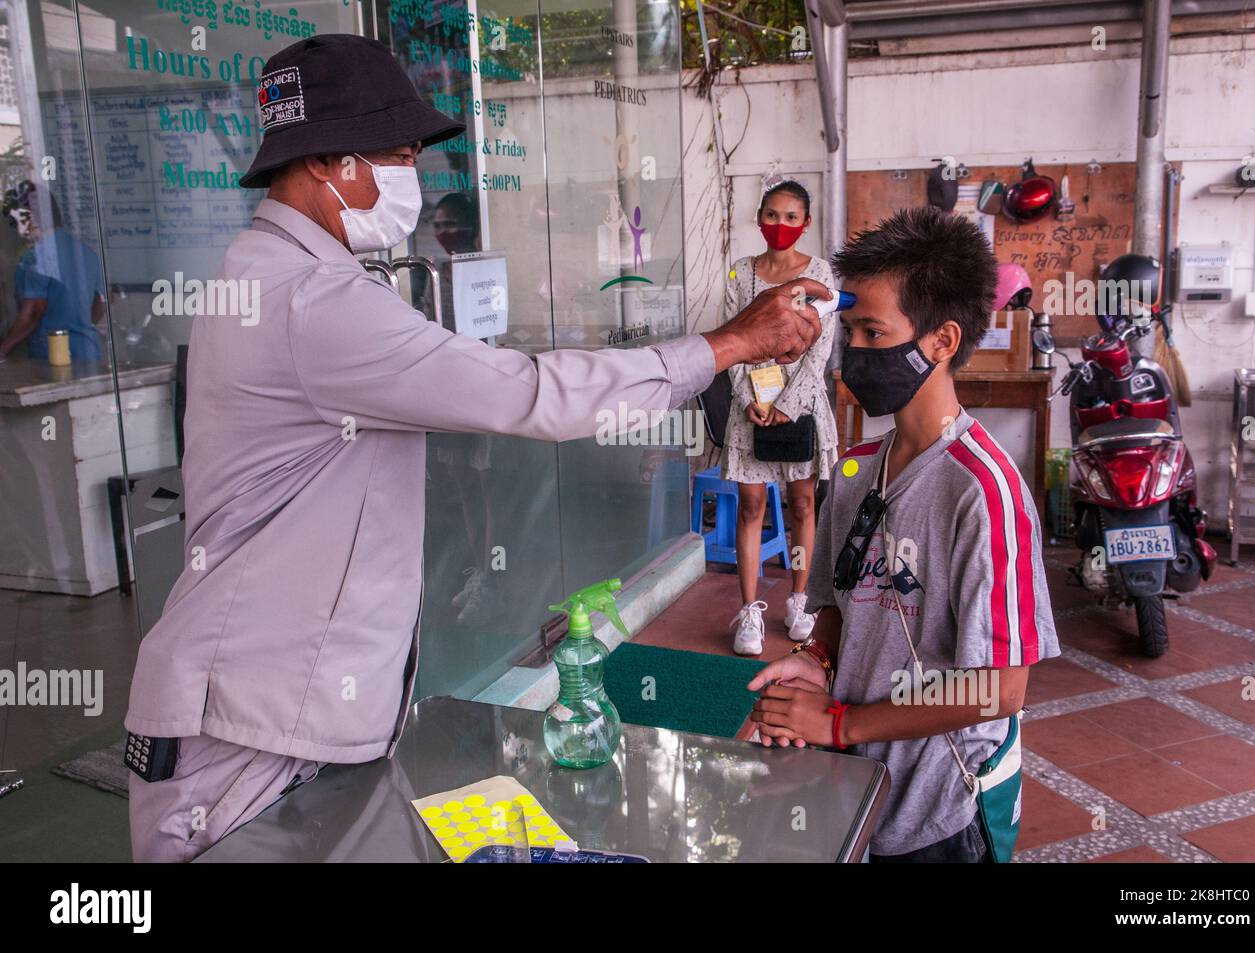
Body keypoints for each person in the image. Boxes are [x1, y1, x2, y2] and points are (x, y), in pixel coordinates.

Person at [122, 34, 827, 862]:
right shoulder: (312, 299)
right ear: (331, 163)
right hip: (251, 734)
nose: (411, 174)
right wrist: (728, 345)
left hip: (277, 710)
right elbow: (525, 393)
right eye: (399, 153)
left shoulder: (264, 273)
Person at [746, 206, 1060, 862]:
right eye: (849, 331)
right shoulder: (858, 467)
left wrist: (841, 720)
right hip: (854, 787)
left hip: (936, 813)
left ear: (942, 341)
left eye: (871, 331)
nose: (852, 353)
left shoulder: (983, 493)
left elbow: (998, 688)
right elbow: (837, 601)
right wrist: (816, 663)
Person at [722, 180, 838, 656]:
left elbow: (822, 347)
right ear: (759, 218)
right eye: (772, 215)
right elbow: (729, 339)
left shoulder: (820, 274)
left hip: (801, 405)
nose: (780, 225)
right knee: (751, 507)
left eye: (791, 217)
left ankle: (798, 600)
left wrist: (790, 402)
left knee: (803, 505)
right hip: (750, 405)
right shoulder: (739, 274)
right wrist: (750, 395)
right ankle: (749, 612)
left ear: (805, 223)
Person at [0, 182, 106, 364]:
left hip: (54, 355)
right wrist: (77, 327)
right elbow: (102, 301)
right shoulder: (86, 252)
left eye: (18, 221)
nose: (18, 230)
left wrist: (3, 349)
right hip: (88, 352)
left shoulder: (38, 255)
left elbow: (34, 310)